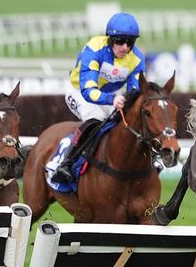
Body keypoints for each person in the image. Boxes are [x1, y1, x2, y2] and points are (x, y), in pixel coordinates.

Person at [53, 12, 146, 183]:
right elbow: (89, 91)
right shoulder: (94, 48)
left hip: (109, 95)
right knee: (96, 118)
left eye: (130, 42)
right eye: (120, 41)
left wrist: (127, 102)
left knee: (129, 120)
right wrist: (112, 100)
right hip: (79, 91)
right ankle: (67, 162)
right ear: (110, 38)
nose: (125, 47)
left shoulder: (137, 59)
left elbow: (135, 92)